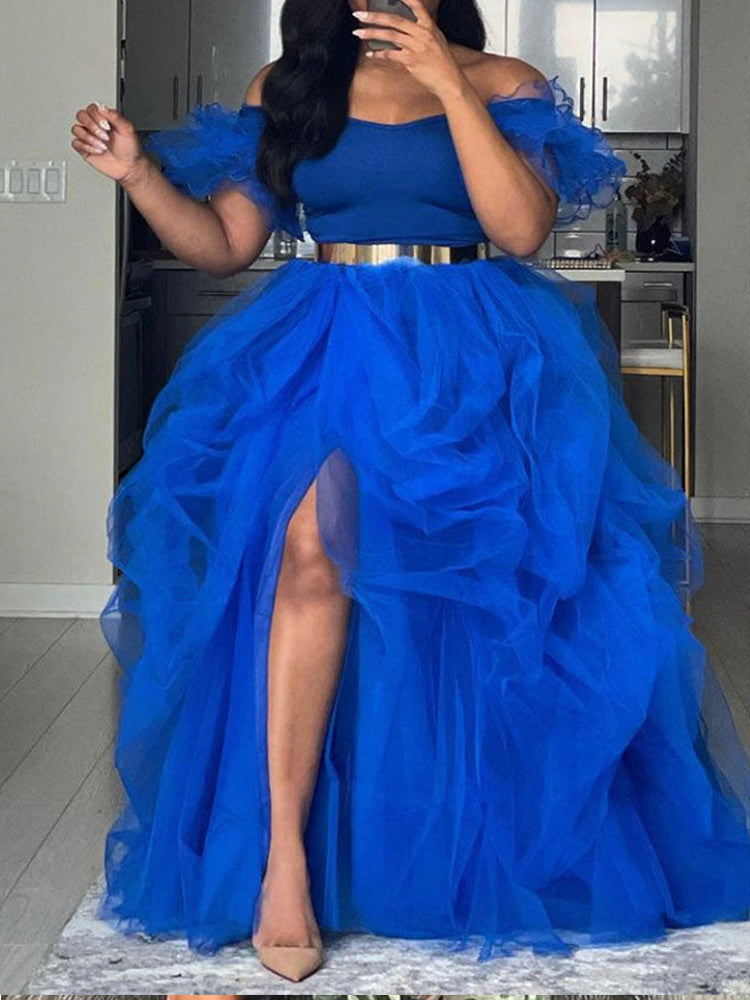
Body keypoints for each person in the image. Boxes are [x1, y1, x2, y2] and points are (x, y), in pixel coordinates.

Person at [71, 0, 750, 985]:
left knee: (480, 598)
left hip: (476, 354)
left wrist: (446, 80)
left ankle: (452, 841)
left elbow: (521, 229)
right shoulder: (290, 84)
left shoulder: (502, 80)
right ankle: (284, 858)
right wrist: (137, 172)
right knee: (310, 552)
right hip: (327, 344)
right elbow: (223, 242)